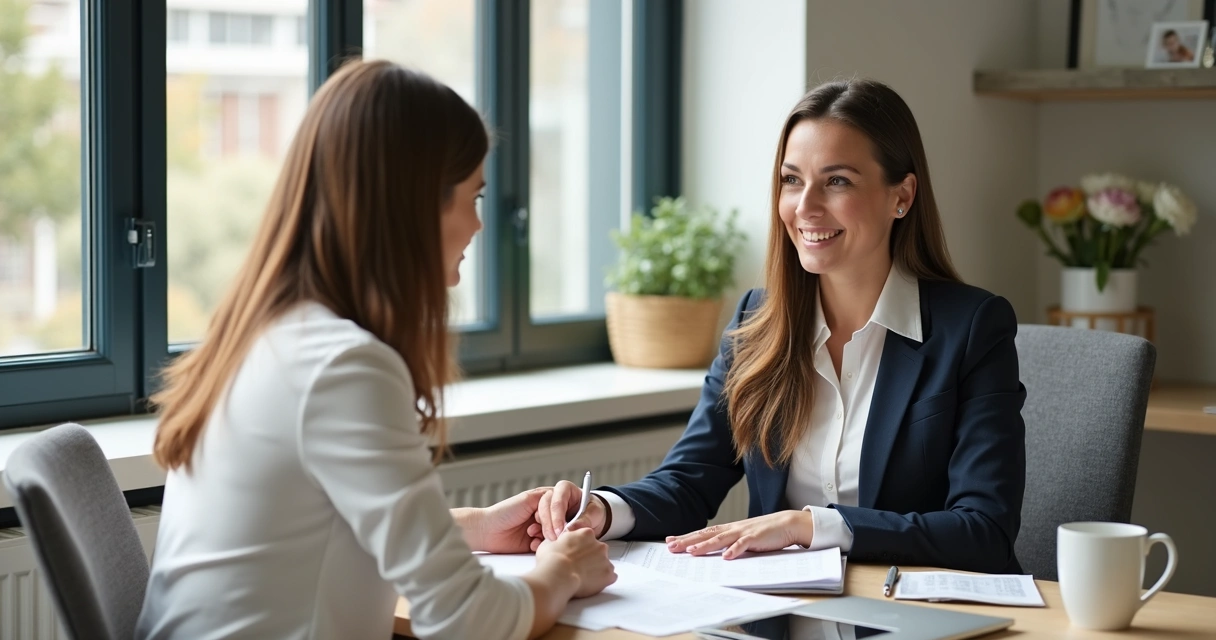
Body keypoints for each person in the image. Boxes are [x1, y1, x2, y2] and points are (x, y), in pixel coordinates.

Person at [136, 59, 615, 640]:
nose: (477, 226)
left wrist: (480, 527)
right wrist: (560, 572)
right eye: (473, 197)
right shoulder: (343, 367)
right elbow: (466, 620)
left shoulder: (268, 337)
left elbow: (319, 521)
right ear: (413, 207)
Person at [533, 79, 1027, 574]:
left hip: (912, 621)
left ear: (901, 195)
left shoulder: (972, 329)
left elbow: (984, 529)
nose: (805, 206)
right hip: (783, 617)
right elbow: (689, 480)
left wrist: (812, 526)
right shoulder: (757, 320)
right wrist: (598, 509)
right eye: (792, 180)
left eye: (837, 181)